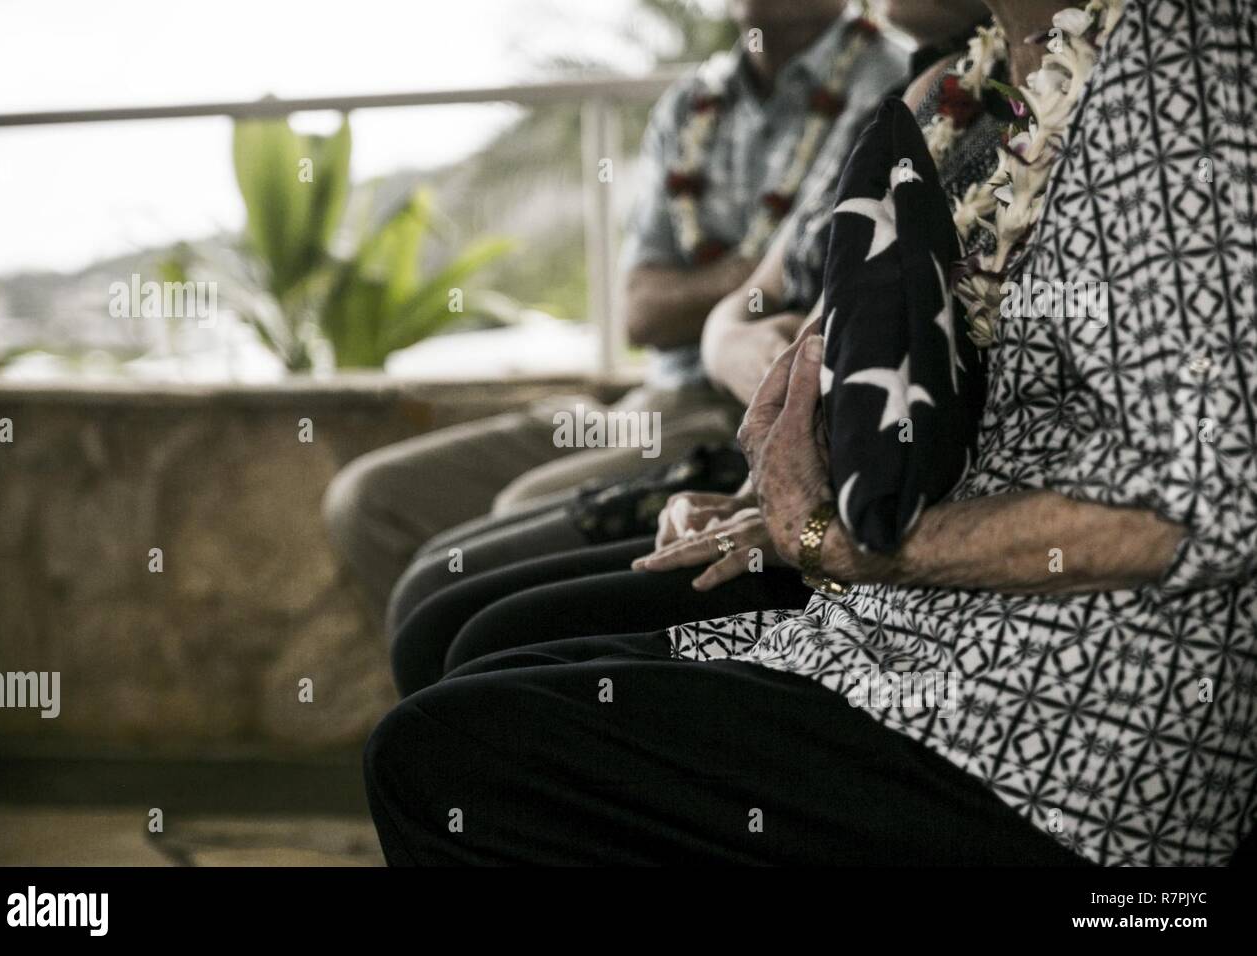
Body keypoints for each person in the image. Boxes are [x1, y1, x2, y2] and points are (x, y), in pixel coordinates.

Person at [365, 0, 1257, 866]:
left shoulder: (1180, 53)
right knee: (469, 660)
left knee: (443, 755)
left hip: (1064, 728)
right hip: (918, 629)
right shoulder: (969, 80)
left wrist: (839, 542)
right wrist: (790, 494)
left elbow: (1196, 504)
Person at [324, 0, 910, 619]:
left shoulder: (891, 81)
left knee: (519, 511)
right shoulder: (692, 102)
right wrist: (741, 290)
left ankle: (501, 688)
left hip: (747, 411)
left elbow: (816, 284)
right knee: (368, 500)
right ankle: (445, 699)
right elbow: (641, 313)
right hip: (651, 401)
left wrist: (718, 301)